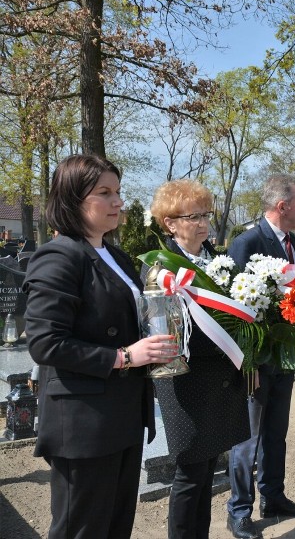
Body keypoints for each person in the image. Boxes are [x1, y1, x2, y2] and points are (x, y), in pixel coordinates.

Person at [24, 154, 178, 539]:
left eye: (119, 192)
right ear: (73, 200)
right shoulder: (59, 256)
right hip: (84, 423)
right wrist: (124, 356)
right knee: (83, 528)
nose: (118, 202)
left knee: (115, 526)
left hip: (122, 415)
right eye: (104, 193)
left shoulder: (116, 255)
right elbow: (45, 342)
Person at [148, 180, 250, 539]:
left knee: (209, 472)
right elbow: (165, 332)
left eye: (206, 213)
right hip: (186, 382)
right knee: (189, 475)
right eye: (192, 216)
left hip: (222, 380)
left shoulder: (219, 261)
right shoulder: (163, 270)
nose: (203, 222)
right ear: (170, 223)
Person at [226, 175, 295, 539]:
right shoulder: (247, 243)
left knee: (277, 432)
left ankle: (273, 497)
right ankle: (240, 511)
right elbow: (234, 308)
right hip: (256, 363)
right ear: (283, 207)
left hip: (286, 358)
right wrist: (248, 362)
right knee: (249, 439)